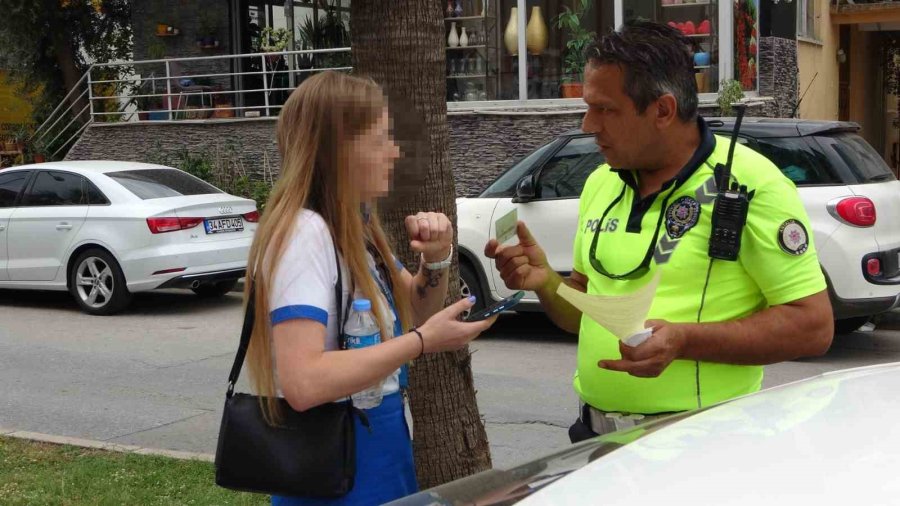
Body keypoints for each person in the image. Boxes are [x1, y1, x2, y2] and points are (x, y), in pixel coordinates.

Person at [485, 20, 834, 441]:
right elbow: (584, 319)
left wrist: (684, 340)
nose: (587, 125)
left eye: (605, 109)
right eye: (588, 107)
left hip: (700, 447)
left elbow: (813, 326)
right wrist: (546, 283)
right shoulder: (601, 181)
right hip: (593, 439)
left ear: (663, 111)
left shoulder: (751, 183)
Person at [245, 71, 498, 505]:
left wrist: (435, 260)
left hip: (372, 459)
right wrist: (420, 344)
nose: (394, 152)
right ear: (339, 150)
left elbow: (416, 309)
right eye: (380, 139)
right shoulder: (305, 234)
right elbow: (303, 382)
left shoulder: (355, 229)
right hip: (337, 478)